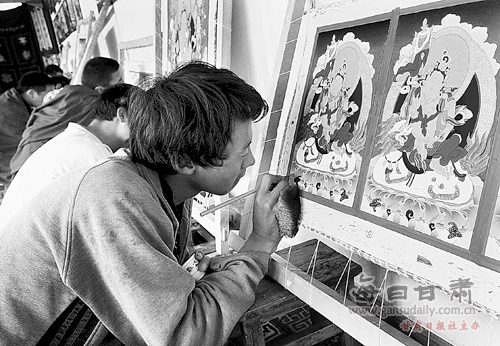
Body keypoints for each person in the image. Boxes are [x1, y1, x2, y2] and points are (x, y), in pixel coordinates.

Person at [0, 60, 289, 345]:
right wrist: (260, 244)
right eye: (244, 151)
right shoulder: (116, 199)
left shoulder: (161, 183)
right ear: (185, 160)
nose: (251, 161)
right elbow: (187, 338)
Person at [0, 83, 138, 229]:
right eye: (142, 122)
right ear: (122, 115)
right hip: (22, 244)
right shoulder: (93, 156)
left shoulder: (75, 139)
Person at [9, 56, 123, 177]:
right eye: (119, 81)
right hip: (34, 166)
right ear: (100, 90)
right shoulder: (91, 105)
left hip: (24, 158)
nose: (124, 85)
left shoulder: (71, 92)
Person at [0, 71, 54, 189]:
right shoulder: (9, 110)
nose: (51, 100)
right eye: (48, 95)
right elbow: (30, 142)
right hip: (8, 164)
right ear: (32, 93)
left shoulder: (15, 100)